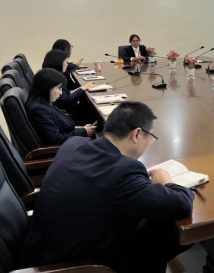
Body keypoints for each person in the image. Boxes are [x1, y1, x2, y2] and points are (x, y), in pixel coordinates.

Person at [22, 101, 194, 273]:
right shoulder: (123, 172)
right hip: (74, 265)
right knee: (167, 228)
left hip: (40, 248)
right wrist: (166, 182)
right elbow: (182, 204)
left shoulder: (73, 144)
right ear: (137, 134)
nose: (150, 143)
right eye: (151, 137)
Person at [26, 69, 96, 145]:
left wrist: (83, 129)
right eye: (59, 88)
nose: (61, 93)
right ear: (47, 88)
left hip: (70, 136)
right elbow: (56, 139)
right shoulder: (39, 109)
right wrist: (83, 131)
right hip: (65, 147)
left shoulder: (44, 103)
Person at [42, 49, 98, 124]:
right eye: (66, 62)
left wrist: (84, 87)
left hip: (65, 111)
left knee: (90, 106)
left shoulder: (52, 75)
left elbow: (67, 93)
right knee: (94, 109)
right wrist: (83, 88)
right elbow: (66, 100)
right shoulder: (54, 80)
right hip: (67, 114)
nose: (67, 64)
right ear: (59, 63)